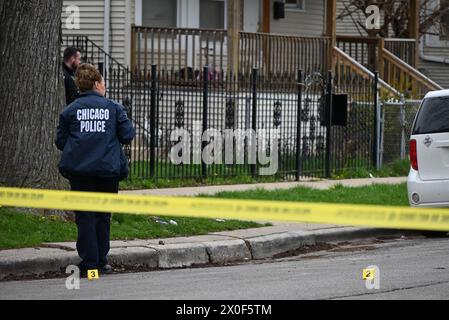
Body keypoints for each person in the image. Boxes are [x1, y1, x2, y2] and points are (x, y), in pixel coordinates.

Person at [55, 63, 135, 276]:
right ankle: (102, 261)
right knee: (102, 216)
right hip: (107, 171)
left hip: (80, 172)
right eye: (104, 82)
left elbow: (60, 141)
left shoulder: (70, 111)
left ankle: (89, 263)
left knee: (85, 216)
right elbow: (127, 135)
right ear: (98, 84)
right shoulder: (114, 108)